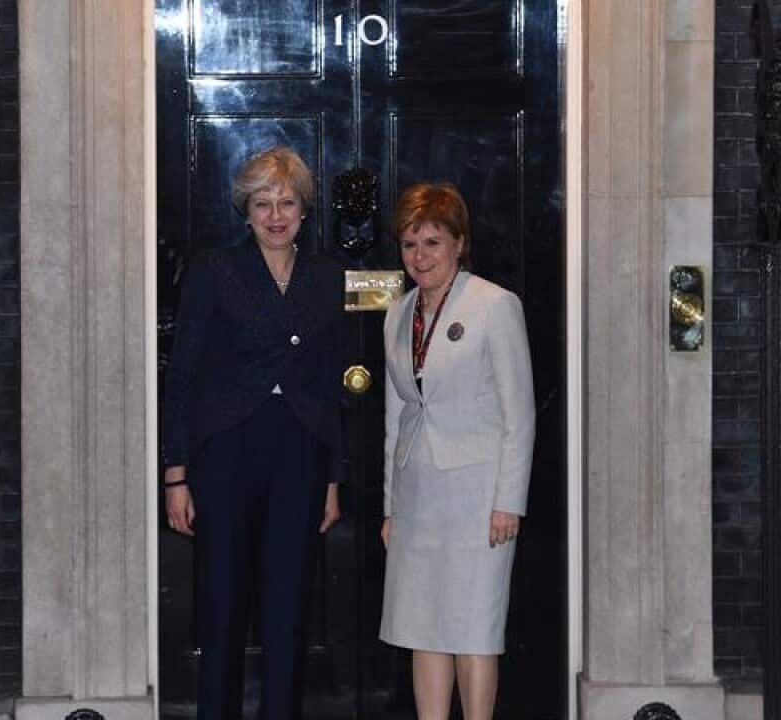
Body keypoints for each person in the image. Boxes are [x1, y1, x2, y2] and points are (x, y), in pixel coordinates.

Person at [160, 146, 344, 720]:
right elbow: (183, 373)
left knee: (287, 608)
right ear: (245, 210)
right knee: (222, 606)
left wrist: (334, 477)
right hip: (227, 454)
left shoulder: (327, 276)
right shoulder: (214, 271)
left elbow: (330, 380)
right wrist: (176, 473)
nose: (274, 215)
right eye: (262, 203)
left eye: (286, 202)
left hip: (299, 452)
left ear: (304, 210)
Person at [379, 182, 536, 719]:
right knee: (423, 624)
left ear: (459, 244)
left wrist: (507, 501)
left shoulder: (494, 305)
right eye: (409, 244)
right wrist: (390, 508)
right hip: (419, 495)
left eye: (432, 242)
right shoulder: (397, 315)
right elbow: (396, 417)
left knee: (473, 628)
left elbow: (521, 414)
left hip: (478, 500)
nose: (420, 256)